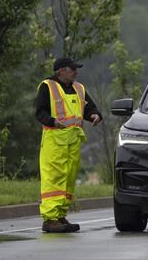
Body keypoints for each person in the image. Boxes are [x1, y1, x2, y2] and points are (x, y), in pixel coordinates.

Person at [35, 57, 101, 233]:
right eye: (72, 69)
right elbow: (39, 112)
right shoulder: (47, 86)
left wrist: (94, 115)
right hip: (54, 141)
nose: (76, 72)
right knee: (54, 178)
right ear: (61, 71)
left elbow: (89, 108)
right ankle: (49, 219)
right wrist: (53, 121)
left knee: (69, 178)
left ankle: (60, 215)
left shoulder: (79, 88)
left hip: (73, 141)